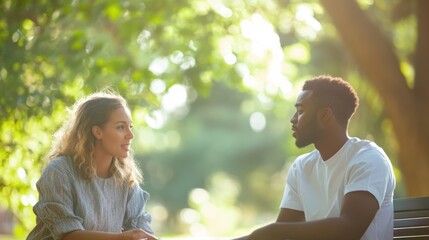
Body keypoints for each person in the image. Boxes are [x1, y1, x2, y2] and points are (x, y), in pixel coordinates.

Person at [232, 75, 396, 240]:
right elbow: (279, 235)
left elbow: (349, 230)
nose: (293, 119)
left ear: (325, 115)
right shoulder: (302, 167)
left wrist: (272, 232)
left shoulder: (368, 160)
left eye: (301, 111)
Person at [27, 90, 158, 240]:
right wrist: (121, 238)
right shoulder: (59, 171)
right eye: (121, 127)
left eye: (130, 127)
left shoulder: (125, 179)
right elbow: (68, 236)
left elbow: (141, 230)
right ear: (97, 132)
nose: (130, 135)